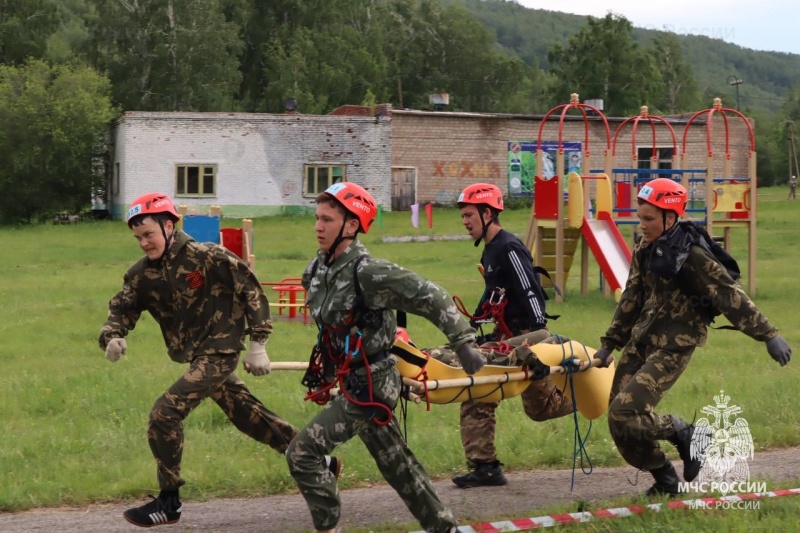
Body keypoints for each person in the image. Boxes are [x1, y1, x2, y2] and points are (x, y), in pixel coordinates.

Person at [99, 193, 340, 528]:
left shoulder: (206, 256)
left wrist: (258, 343)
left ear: (169, 226)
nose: (143, 243)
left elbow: (251, 291)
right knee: (248, 415)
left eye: (149, 234)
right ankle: (318, 460)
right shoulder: (142, 274)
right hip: (196, 355)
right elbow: (121, 309)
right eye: (138, 237)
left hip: (221, 350)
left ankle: (169, 502)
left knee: (164, 414)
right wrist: (112, 336)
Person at [285, 182, 483, 533]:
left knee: (302, 453)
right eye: (317, 218)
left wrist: (464, 342)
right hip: (352, 382)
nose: (318, 226)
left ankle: (328, 527)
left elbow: (430, 294)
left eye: (327, 220)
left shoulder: (368, 272)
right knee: (398, 466)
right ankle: (443, 527)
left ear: (351, 225)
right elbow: (332, 326)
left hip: (372, 386)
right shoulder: (318, 270)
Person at [592, 178, 792, 496]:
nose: (641, 225)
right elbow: (631, 297)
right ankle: (666, 480)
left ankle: (687, 432)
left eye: (649, 219)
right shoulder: (645, 248)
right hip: (642, 340)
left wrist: (767, 335)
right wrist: (609, 344)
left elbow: (729, 294)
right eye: (640, 217)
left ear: (670, 218)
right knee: (619, 423)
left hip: (674, 345)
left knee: (625, 412)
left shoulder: (692, 254)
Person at [451, 183, 574, 488]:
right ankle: (486, 467)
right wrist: (474, 326)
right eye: (463, 216)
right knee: (485, 393)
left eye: (469, 215)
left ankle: (598, 394)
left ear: (488, 213)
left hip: (527, 339)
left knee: (536, 407)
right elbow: (493, 295)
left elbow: (531, 290)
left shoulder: (508, 247)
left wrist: (535, 339)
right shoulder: (491, 250)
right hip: (508, 337)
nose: (465, 222)